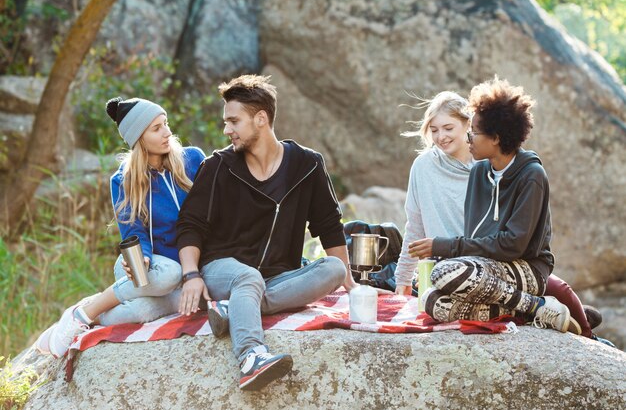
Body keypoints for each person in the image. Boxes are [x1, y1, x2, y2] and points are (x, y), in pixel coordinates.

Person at [176, 75, 355, 391]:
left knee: (335, 269)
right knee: (248, 279)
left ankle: (234, 309)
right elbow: (190, 224)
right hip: (222, 268)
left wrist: (351, 285)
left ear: (261, 119)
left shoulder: (307, 165)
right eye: (226, 122)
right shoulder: (218, 166)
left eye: (233, 121)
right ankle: (250, 357)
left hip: (279, 275)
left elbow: (328, 226)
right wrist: (192, 274)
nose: (226, 130)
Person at [400, 80, 597, 336]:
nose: (468, 138)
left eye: (474, 132)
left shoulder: (532, 176)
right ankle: (530, 311)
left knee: (444, 271)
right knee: (431, 301)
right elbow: (473, 235)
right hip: (485, 269)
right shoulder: (480, 171)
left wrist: (445, 246)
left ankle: (537, 305)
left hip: (527, 268)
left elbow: (512, 245)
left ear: (495, 138)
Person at [36, 97, 205, 358]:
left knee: (140, 312)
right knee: (169, 274)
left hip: (187, 269)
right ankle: (83, 315)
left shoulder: (191, 160)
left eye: (166, 123)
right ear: (139, 138)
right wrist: (143, 259)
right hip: (153, 270)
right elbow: (133, 232)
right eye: (157, 128)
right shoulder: (123, 180)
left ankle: (87, 309)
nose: (168, 132)